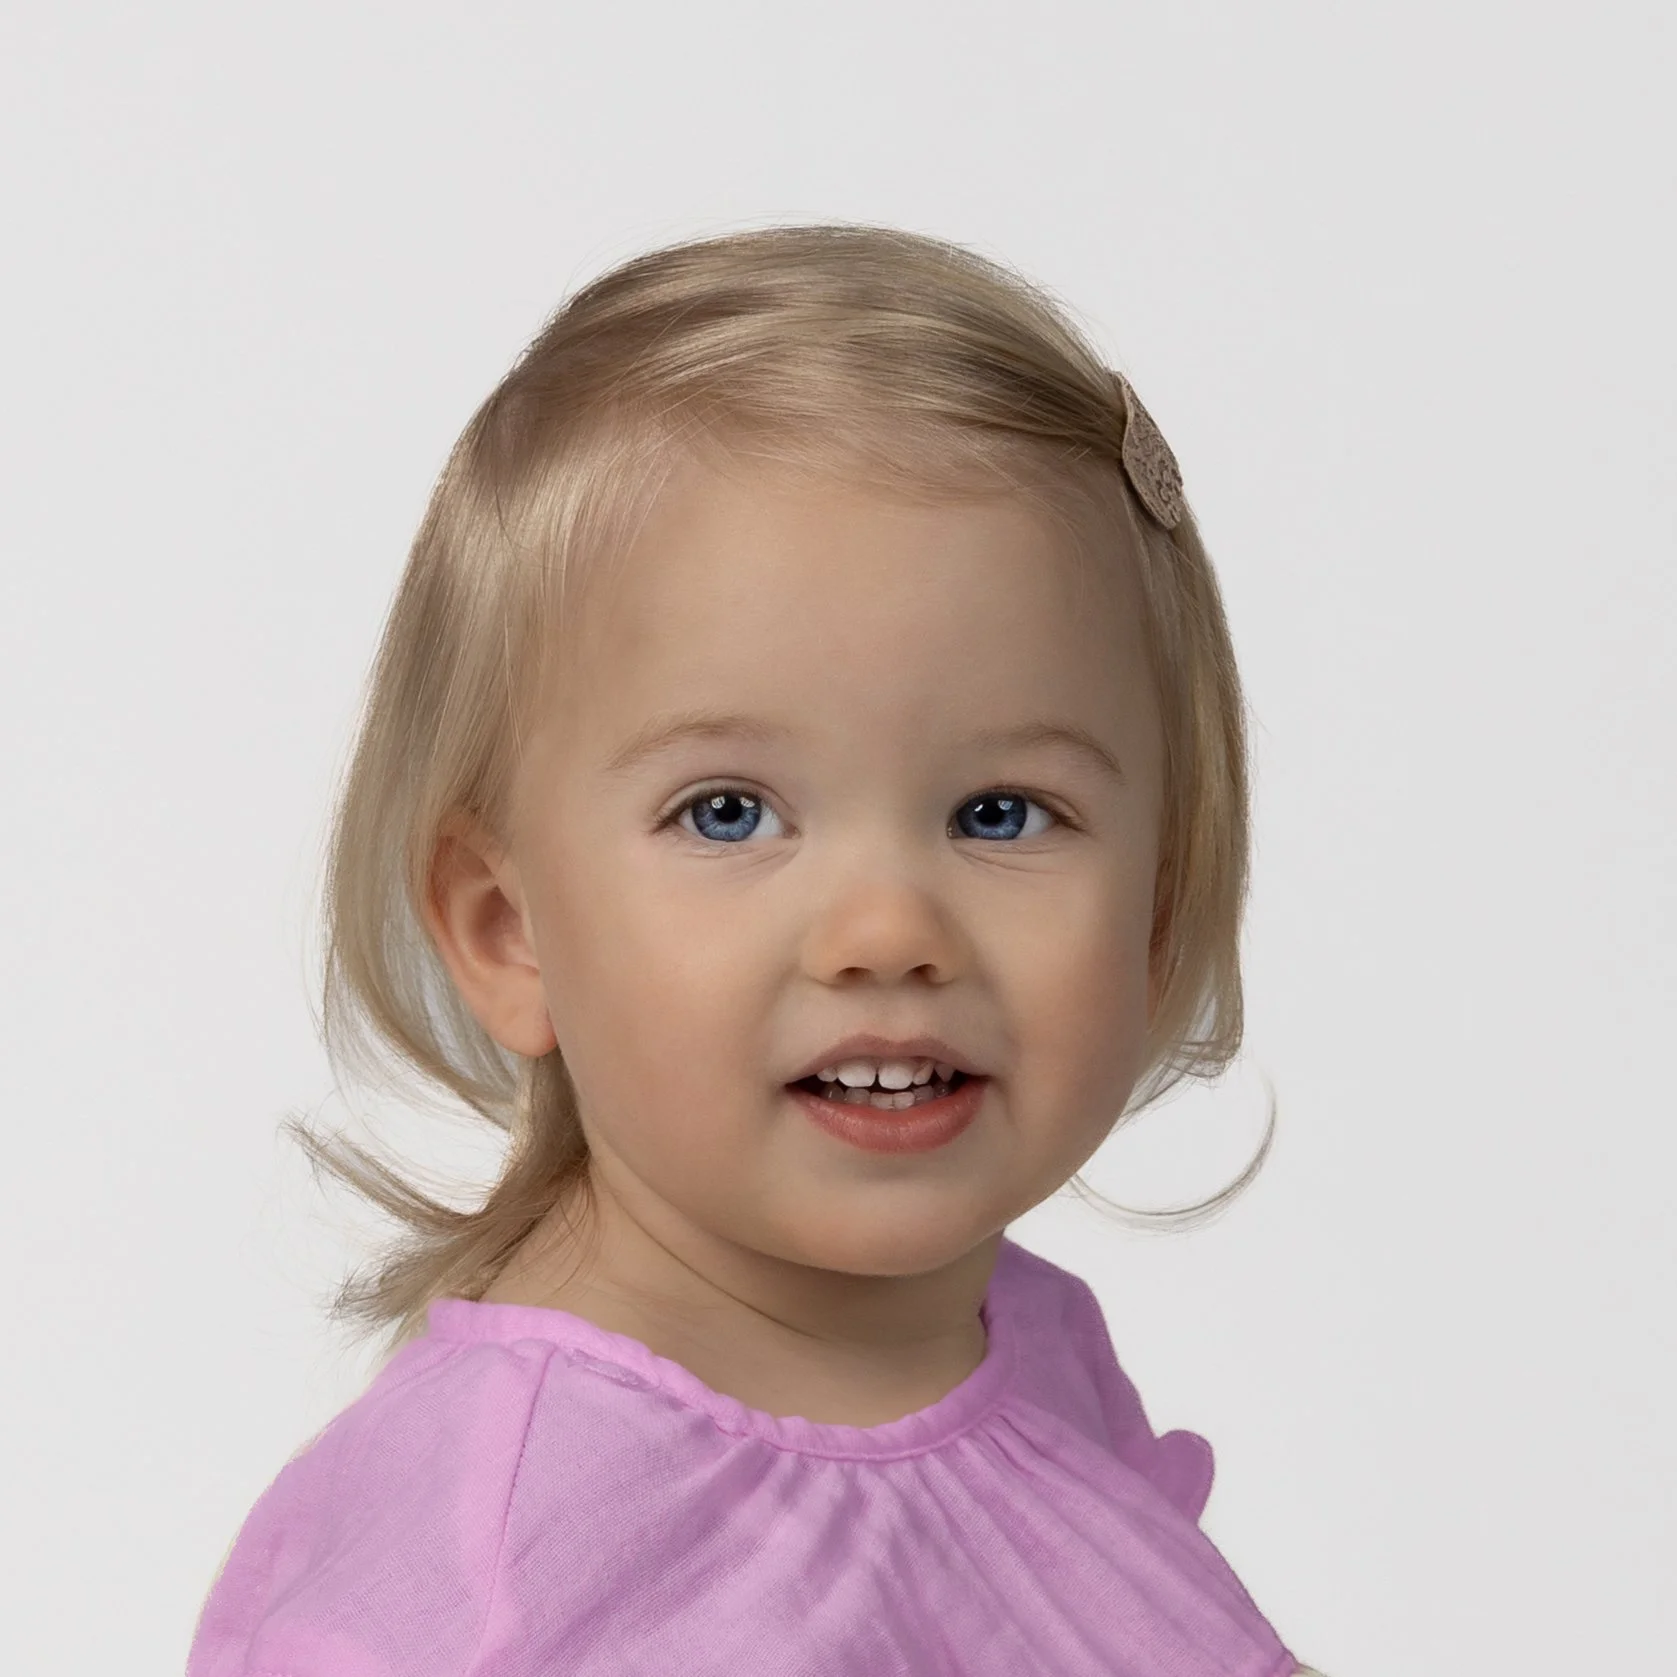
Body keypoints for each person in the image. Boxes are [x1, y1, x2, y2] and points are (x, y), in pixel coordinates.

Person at [186, 223, 1331, 1676]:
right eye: (727, 813)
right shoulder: (498, 1561)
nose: (889, 931)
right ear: (508, 928)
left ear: (1160, 905)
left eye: (1000, 812)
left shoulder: (1030, 1348)